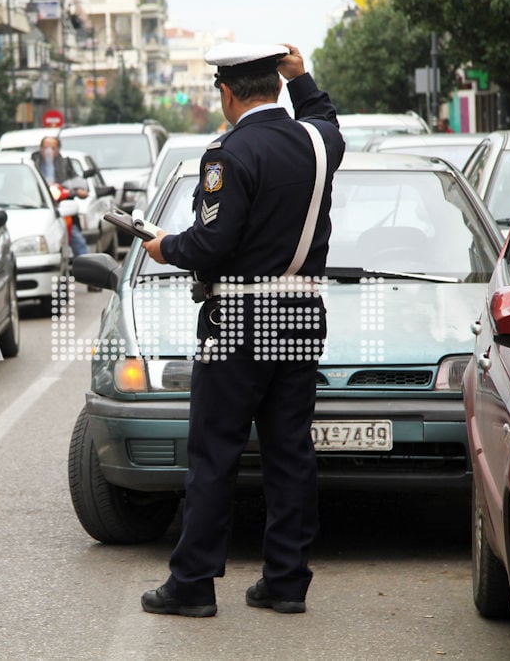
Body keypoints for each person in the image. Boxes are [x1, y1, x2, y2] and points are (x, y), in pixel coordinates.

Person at [138, 42, 345, 618]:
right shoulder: (317, 141)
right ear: (277, 86)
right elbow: (327, 120)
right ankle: (286, 581)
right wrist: (305, 80)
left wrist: (162, 247)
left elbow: (210, 243)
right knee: (289, 451)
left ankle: (193, 584)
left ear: (227, 93)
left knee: (215, 454)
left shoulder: (228, 153)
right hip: (301, 315)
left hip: (239, 318)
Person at [30, 136, 89, 257]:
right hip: (38, 209)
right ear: (40, 149)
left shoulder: (65, 163)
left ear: (58, 149)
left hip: (62, 210)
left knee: (78, 241)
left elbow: (77, 183)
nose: (49, 151)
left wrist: (77, 191)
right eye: (46, 147)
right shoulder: (33, 163)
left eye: (53, 148)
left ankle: (87, 268)